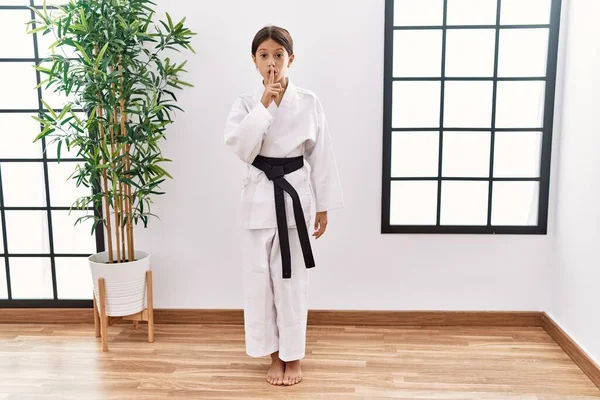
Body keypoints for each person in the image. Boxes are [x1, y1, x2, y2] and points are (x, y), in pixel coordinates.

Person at [224, 25, 343, 386]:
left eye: (279, 55)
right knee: (260, 284)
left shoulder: (308, 101)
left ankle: (294, 358)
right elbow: (243, 150)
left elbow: (321, 155)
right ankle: (274, 357)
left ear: (291, 58)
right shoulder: (246, 103)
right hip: (259, 198)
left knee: (291, 283)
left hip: (295, 197)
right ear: (254, 61)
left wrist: (323, 206)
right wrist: (264, 104)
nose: (272, 63)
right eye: (264, 56)